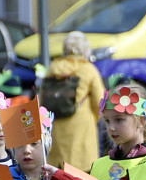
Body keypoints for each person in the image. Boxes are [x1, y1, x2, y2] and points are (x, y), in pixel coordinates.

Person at [44, 31, 105, 172]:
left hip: (55, 131)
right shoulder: (88, 70)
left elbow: (42, 99)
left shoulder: (52, 69)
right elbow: (100, 102)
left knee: (57, 178)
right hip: (82, 131)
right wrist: (96, 118)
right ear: (85, 50)